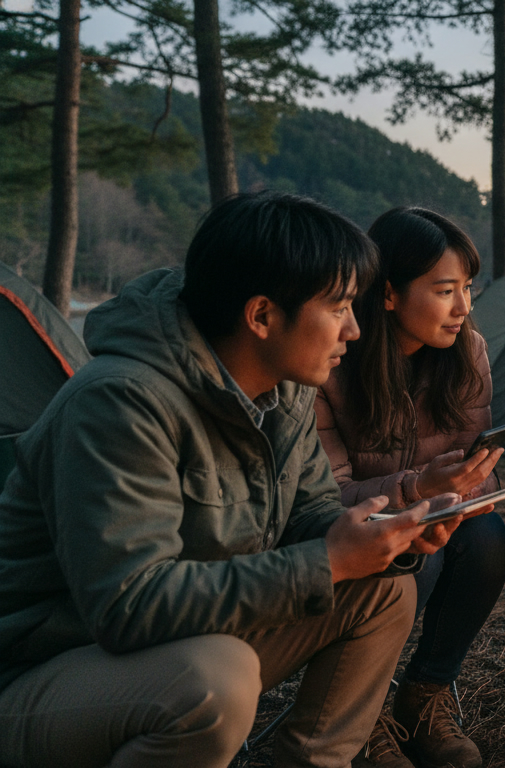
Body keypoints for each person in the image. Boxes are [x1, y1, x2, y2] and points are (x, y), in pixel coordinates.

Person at [0, 192, 474, 768]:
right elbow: (129, 606)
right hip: (45, 671)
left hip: (187, 644)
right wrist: (327, 562)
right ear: (262, 316)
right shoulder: (120, 404)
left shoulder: (285, 389)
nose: (354, 329)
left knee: (384, 590)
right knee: (213, 684)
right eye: (339, 307)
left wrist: (383, 536)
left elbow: (309, 513)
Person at [315, 207, 505, 768]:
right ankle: (365, 710)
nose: (464, 307)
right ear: (389, 294)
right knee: (415, 559)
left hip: (440, 516)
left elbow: (479, 462)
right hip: (358, 532)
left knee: (489, 541)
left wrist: (467, 485)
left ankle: (425, 694)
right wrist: (416, 488)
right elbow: (326, 495)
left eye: (468, 288)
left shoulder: (468, 352)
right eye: (446, 291)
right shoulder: (331, 364)